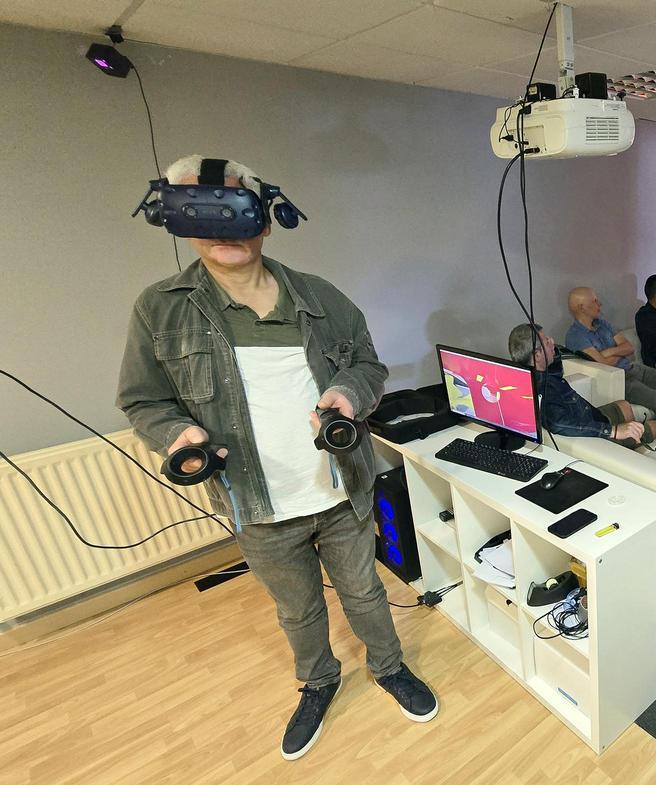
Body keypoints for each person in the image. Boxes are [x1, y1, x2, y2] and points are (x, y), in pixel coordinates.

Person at [116, 155, 437, 761]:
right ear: (176, 220)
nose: (220, 229)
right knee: (298, 609)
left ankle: (389, 667)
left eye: (234, 211)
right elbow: (143, 400)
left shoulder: (321, 297)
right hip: (256, 502)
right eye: (198, 212)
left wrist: (348, 393)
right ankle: (318, 683)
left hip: (340, 488)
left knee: (365, 592)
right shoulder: (160, 309)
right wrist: (177, 433)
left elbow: (368, 365)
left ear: (264, 219)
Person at [508, 323, 656, 448]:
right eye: (547, 341)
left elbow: (555, 364)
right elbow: (558, 423)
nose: (552, 342)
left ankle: (630, 447)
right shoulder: (544, 388)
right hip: (590, 432)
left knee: (624, 405)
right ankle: (627, 443)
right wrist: (613, 431)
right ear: (537, 355)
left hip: (588, 416)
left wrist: (549, 353)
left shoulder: (537, 374)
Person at [563, 287, 656, 431]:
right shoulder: (576, 336)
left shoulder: (603, 324)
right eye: (595, 301)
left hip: (635, 369)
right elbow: (602, 364)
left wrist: (607, 352)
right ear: (582, 307)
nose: (600, 304)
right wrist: (617, 353)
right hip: (621, 381)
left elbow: (629, 347)